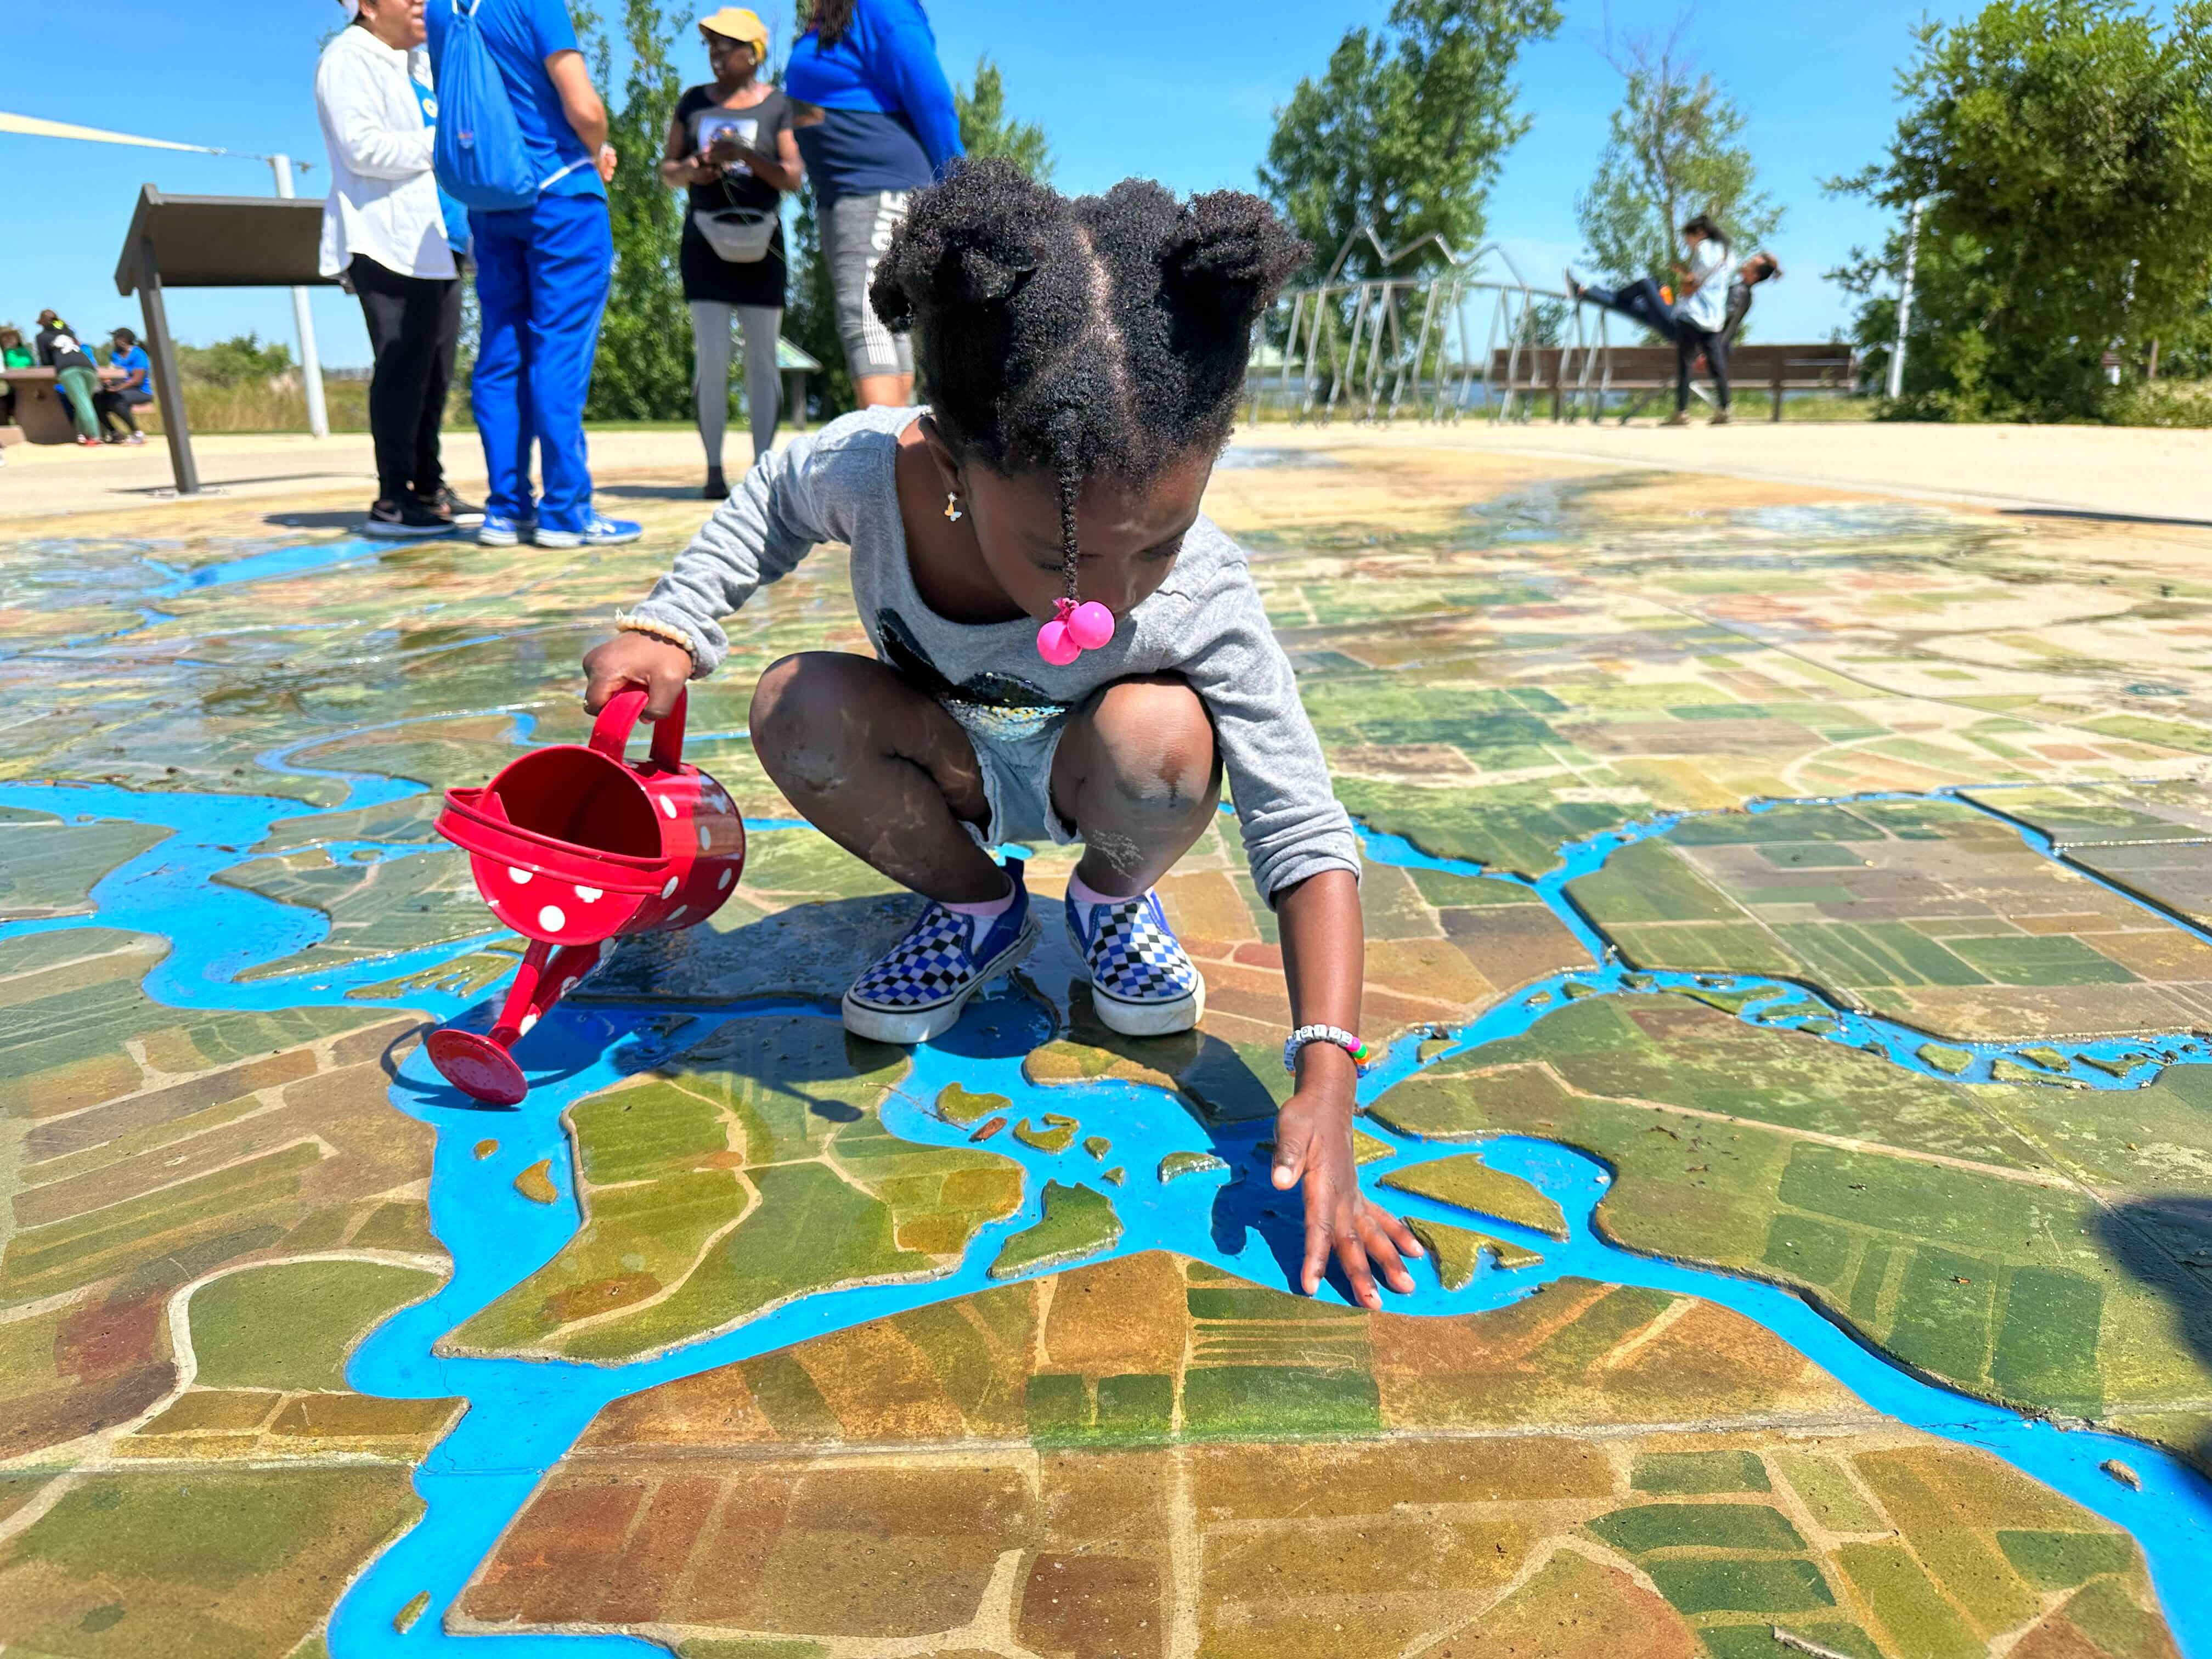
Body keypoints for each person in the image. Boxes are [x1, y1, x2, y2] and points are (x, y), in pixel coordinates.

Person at [583, 162, 1429, 1311]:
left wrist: (1326, 1076)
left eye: (1159, 542)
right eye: (1058, 557)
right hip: (949, 770)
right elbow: (774, 492)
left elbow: (1303, 831)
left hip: (1105, 780)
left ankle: (1112, 905)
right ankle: (975, 904)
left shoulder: (1203, 594)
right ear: (952, 459)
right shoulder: (877, 475)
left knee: (1165, 733)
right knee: (795, 706)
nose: (1113, 600)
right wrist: (674, 622)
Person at [424, 0, 642, 548]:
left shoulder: (438, 10)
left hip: (492, 201)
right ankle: (566, 512)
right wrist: (599, 150)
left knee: (501, 350)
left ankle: (506, 509)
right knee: (560, 352)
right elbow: (583, 106)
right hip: (562, 193)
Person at [318, 0, 480, 535]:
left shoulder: (420, 64)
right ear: (366, 6)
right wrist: (449, 141)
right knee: (401, 366)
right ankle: (392, 498)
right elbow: (362, 149)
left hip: (440, 240)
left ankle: (428, 487)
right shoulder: (349, 57)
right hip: (387, 240)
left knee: (436, 373)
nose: (421, 4)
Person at [784, 0, 961, 409]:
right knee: (886, 326)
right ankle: (907, 459)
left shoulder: (882, 6)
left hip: (879, 187)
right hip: (842, 196)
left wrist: (957, 184)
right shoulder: (833, 13)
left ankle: (884, 463)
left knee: (870, 321)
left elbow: (932, 96)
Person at [662, 7, 803, 499]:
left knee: (763, 360)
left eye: (728, 44)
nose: (717, 54)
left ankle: (763, 472)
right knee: (713, 357)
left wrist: (743, 155)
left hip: (763, 245)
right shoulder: (692, 101)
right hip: (704, 243)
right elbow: (669, 169)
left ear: (754, 53)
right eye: (711, 45)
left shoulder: (777, 105)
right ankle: (714, 471)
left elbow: (791, 175)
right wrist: (696, 168)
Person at [1564, 215, 1741, 425]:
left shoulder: (1704, 248)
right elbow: (1709, 278)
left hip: (1688, 317)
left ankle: (1682, 413)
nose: (1689, 245)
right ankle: (1725, 409)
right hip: (1713, 319)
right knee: (1716, 363)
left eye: (1688, 240)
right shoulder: (1729, 254)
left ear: (1700, 233)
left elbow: (1694, 279)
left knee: (1646, 287)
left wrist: (1684, 276)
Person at [33, 311, 104, 447]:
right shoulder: (67, 331)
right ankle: (82, 434)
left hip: (68, 369)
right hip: (88, 367)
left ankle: (94, 435)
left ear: (42, 322)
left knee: (82, 402)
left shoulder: (42, 337)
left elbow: (45, 360)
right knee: (84, 402)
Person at [95, 328, 152, 445]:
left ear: (123, 340)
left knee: (118, 401)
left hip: (141, 391)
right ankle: (114, 433)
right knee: (97, 400)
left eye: (115, 339)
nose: (113, 341)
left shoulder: (138, 354)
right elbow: (112, 372)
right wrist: (107, 383)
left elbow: (137, 379)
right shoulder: (115, 355)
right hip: (119, 390)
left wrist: (117, 388)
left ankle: (137, 433)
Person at [0, 324, 33, 442]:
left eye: (11, 337)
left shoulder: (24, 351)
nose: (8, 339)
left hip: (27, 389)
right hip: (9, 389)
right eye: (5, 337)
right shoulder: (3, 354)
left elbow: (28, 363)